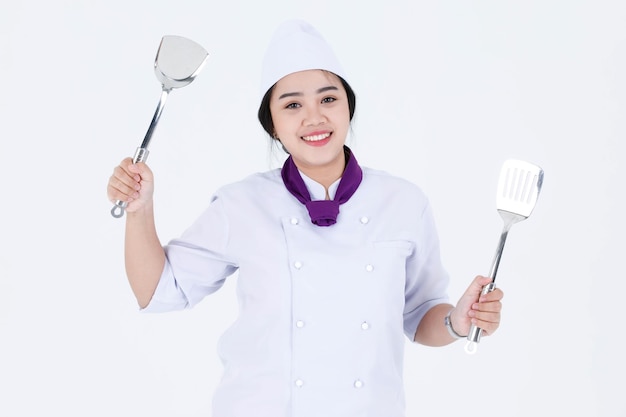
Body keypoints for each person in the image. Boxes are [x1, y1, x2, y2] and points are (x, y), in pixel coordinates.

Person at [107, 19, 503, 417]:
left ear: (349, 107)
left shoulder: (403, 203)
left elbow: (419, 318)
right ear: (274, 126)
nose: (314, 118)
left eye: (328, 99)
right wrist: (140, 212)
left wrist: (458, 320)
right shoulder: (241, 204)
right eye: (293, 105)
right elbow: (159, 291)